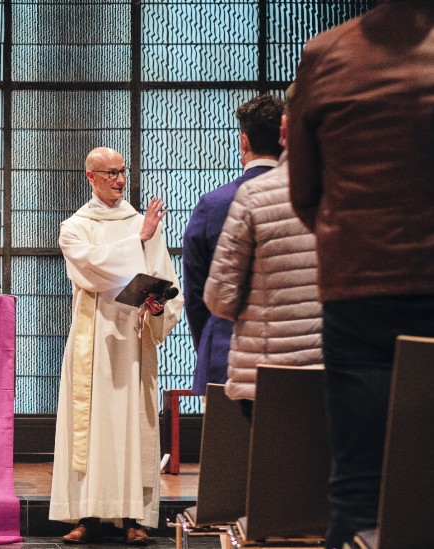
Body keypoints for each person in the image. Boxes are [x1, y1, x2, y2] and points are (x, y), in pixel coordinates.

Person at [287, 4, 434, 547]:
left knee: (356, 489)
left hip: (359, 292)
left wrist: (353, 236)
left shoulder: (327, 53)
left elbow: (304, 192)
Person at [50, 147, 183, 545]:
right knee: (88, 430)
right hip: (93, 339)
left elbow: (164, 278)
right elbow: (91, 268)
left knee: (131, 427)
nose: (120, 180)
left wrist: (159, 305)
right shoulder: (75, 226)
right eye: (110, 173)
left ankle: (133, 518)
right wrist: (136, 241)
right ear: (90, 177)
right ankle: (86, 516)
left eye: (123, 171)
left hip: (133, 340)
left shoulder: (143, 223)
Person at [203, 84, 321, 406]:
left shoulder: (244, 198)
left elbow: (219, 297)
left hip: (263, 367)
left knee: (256, 453)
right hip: (333, 364)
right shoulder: (342, 191)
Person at [182, 94, 283, 396]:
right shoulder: (307, 200)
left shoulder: (213, 205)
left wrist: (209, 342)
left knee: (225, 444)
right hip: (296, 360)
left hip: (225, 356)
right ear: (287, 137)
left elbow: (196, 292)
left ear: (243, 142)